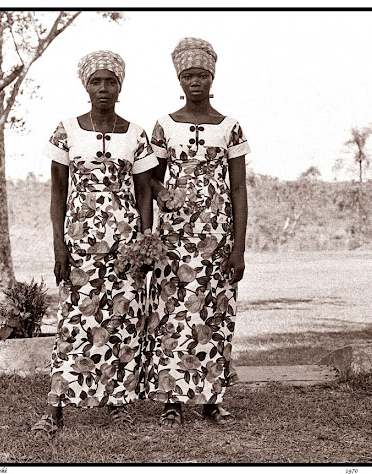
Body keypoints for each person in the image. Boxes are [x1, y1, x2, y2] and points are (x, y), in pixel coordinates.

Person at [32, 50, 157, 435]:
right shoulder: (66, 130)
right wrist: (59, 245)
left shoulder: (136, 134)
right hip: (81, 245)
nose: (103, 88)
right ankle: (55, 409)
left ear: (121, 86)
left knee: (123, 322)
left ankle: (119, 403)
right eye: (96, 82)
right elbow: (57, 193)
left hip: (125, 249)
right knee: (75, 324)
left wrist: (145, 245)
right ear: (85, 86)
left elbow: (144, 194)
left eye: (111, 81)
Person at [145, 37, 250, 428]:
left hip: (217, 236)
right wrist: (163, 195)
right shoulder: (164, 125)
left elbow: (238, 189)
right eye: (188, 75)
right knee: (173, 313)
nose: (195, 82)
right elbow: (150, 180)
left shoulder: (230, 127)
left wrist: (238, 248)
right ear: (179, 78)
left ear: (212, 77)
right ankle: (171, 400)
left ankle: (212, 400)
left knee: (215, 313)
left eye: (202, 75)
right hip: (174, 236)